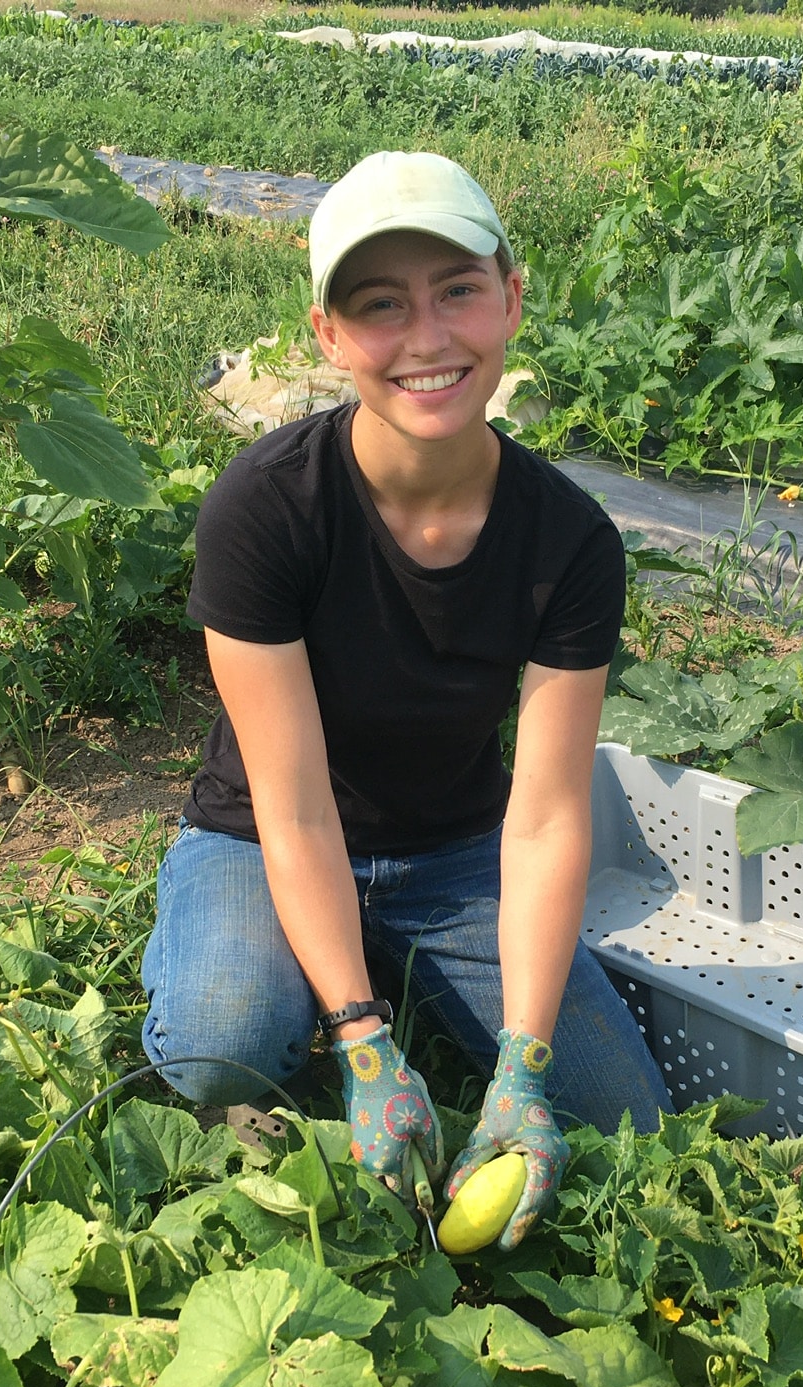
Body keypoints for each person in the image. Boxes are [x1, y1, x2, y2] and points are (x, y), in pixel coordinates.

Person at [140, 150, 673, 1251]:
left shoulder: (569, 540)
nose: (427, 340)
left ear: (512, 299)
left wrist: (525, 1065)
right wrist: (365, 1045)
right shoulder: (265, 510)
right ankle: (332, 988)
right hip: (264, 838)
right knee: (220, 1045)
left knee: (627, 1119)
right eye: (380, 308)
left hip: (457, 854)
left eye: (458, 292)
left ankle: (410, 984)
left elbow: (546, 814)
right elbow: (292, 809)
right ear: (328, 336)